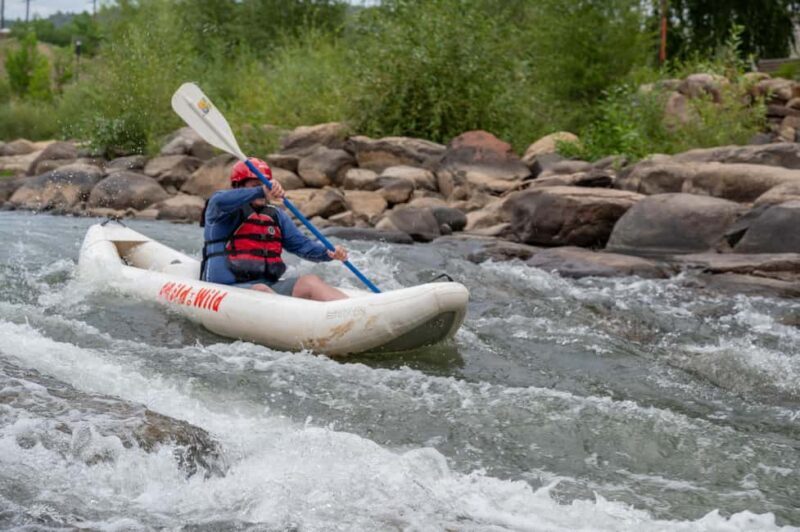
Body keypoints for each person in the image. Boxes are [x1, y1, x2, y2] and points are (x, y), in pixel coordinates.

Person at [200, 158, 349, 301]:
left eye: (265, 183)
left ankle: (349, 310)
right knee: (261, 290)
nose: (264, 188)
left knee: (310, 282)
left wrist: (328, 252)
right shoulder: (221, 209)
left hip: (268, 286)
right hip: (225, 288)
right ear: (238, 186)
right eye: (256, 185)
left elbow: (302, 246)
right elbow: (219, 200)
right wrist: (260, 191)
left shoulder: (276, 215)